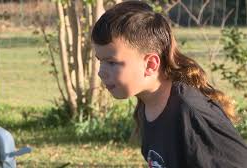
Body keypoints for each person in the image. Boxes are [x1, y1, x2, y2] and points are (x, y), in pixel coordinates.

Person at [91, 1, 247, 168]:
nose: (101, 72)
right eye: (101, 61)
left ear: (151, 64)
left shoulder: (191, 112)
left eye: (112, 63)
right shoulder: (147, 103)